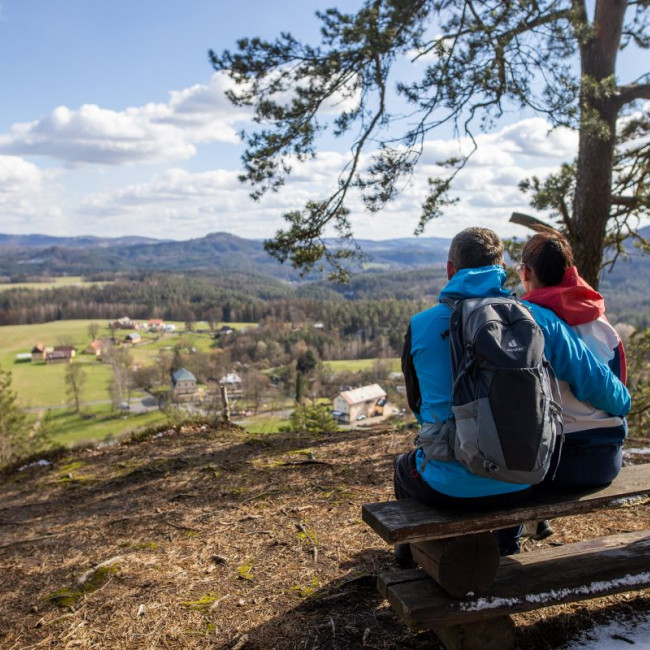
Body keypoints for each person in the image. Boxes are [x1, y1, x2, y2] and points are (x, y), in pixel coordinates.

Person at [395, 227, 631, 559]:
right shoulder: (539, 320)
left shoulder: (421, 324)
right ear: (503, 267)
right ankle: (507, 547)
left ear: (450, 270)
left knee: (403, 467)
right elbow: (601, 385)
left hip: (447, 486)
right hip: (522, 481)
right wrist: (624, 403)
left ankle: (411, 556)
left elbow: (419, 407)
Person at [519, 228, 627, 488]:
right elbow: (620, 387)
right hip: (607, 458)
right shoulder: (604, 327)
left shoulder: (527, 326)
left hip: (555, 460)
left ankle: (511, 530)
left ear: (526, 273)